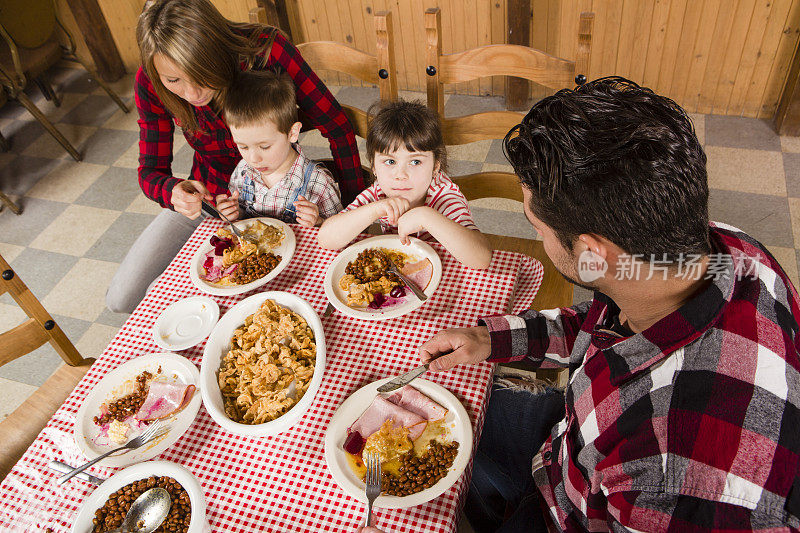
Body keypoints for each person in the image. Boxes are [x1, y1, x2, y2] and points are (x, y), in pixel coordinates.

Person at [372, 77, 800, 532]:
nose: (536, 235)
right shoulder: (716, 251)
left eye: (537, 226)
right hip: (571, 443)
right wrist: (488, 338)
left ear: (595, 253)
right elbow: (606, 321)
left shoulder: (670, 481)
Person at [106, 0, 364, 313]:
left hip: (284, 203)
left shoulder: (266, 51)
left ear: (215, 49)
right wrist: (173, 191)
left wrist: (351, 211)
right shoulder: (150, 82)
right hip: (214, 201)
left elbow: (336, 126)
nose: (191, 94)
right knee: (122, 298)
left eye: (199, 74)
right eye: (174, 81)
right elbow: (149, 171)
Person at [318, 100, 492, 270]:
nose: (400, 175)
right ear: (374, 167)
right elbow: (326, 239)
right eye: (390, 161)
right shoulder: (379, 192)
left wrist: (427, 217)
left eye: (415, 162)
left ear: (435, 167)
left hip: (448, 272)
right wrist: (374, 209)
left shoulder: (444, 195)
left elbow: (481, 259)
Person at [214, 70, 342, 226]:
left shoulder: (318, 183)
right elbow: (241, 213)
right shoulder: (242, 171)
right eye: (243, 147)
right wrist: (233, 212)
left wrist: (319, 221)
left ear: (293, 133)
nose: (253, 159)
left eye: (265, 146)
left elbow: (340, 229)